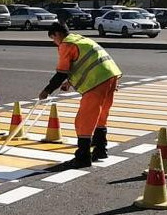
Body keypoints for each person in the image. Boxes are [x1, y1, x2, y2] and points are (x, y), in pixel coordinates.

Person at [38, 22, 122, 168]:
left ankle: (83, 157)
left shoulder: (66, 44)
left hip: (96, 82)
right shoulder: (80, 39)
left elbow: (61, 72)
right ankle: (101, 149)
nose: (54, 42)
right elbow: (83, 63)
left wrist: (47, 90)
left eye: (53, 39)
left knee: (84, 120)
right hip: (111, 76)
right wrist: (69, 83)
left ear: (57, 34)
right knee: (101, 116)